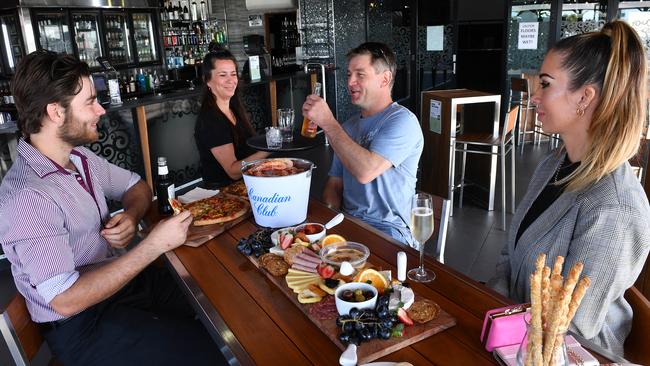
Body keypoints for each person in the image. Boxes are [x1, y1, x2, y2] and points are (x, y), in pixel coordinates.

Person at [0, 50, 227, 366]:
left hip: (118, 289)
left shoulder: (79, 158)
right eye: (90, 102)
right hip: (83, 324)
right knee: (209, 351)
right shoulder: (28, 195)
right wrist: (153, 245)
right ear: (55, 112)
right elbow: (65, 300)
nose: (101, 110)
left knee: (217, 301)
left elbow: (137, 187)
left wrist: (132, 217)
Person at [487, 20, 650, 356]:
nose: (533, 96)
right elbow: (510, 255)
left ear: (585, 97)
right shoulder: (553, 164)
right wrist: (492, 310)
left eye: (545, 84)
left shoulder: (614, 206)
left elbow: (573, 327)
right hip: (511, 342)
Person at [302, 42, 423, 247]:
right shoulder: (348, 127)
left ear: (385, 78)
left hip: (389, 231)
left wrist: (328, 123)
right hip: (348, 224)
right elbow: (335, 184)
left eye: (360, 74)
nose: (350, 82)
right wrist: (327, 223)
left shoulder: (403, 121)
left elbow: (366, 171)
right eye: (349, 74)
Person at [195, 47, 269, 189]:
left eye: (233, 74)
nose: (231, 80)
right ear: (208, 81)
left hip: (247, 183)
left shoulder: (234, 108)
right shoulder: (211, 120)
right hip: (224, 194)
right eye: (223, 75)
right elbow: (233, 172)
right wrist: (269, 149)